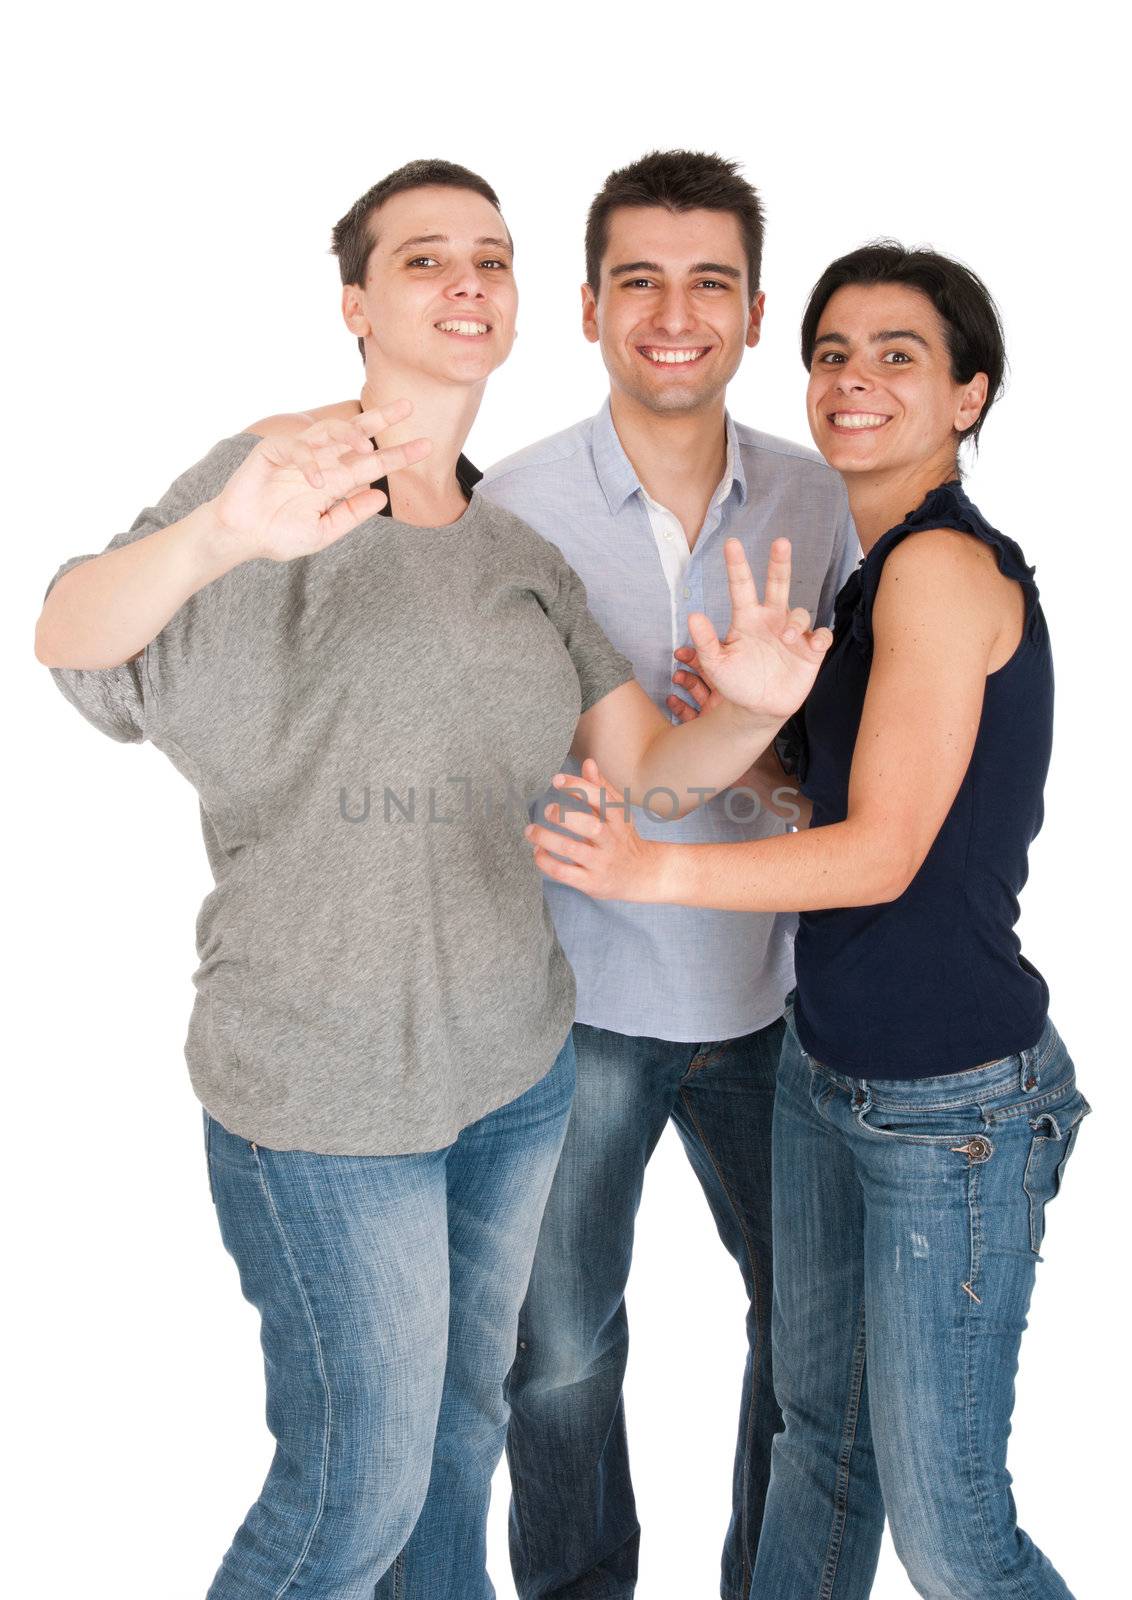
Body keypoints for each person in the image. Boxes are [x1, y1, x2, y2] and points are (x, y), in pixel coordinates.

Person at [34, 159, 830, 1600]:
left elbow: (651, 771)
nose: (466, 282)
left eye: (491, 258)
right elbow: (68, 637)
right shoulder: (267, 484)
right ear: (355, 302)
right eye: (423, 260)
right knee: (347, 1506)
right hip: (327, 1097)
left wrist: (757, 709)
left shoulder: (519, 553)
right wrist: (221, 535)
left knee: (464, 1439)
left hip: (512, 1078)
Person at [525, 242, 1087, 1600]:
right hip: (835, 1074)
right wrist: (761, 727)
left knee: (955, 1536)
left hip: (950, 1101)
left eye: (900, 355)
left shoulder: (939, 572)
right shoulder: (868, 567)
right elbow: (849, 806)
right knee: (825, 1447)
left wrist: (653, 873)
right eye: (834, 353)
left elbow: (886, 855)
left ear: (971, 395)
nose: (853, 379)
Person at [473, 149, 856, 1600]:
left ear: (756, 312)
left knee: (810, 1339)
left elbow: (861, 770)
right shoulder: (511, 507)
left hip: (785, 1005)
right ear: (587, 308)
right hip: (577, 1007)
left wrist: (760, 739)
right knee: (560, 1352)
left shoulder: (825, 507)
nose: (674, 312)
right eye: (640, 279)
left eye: (710, 282)